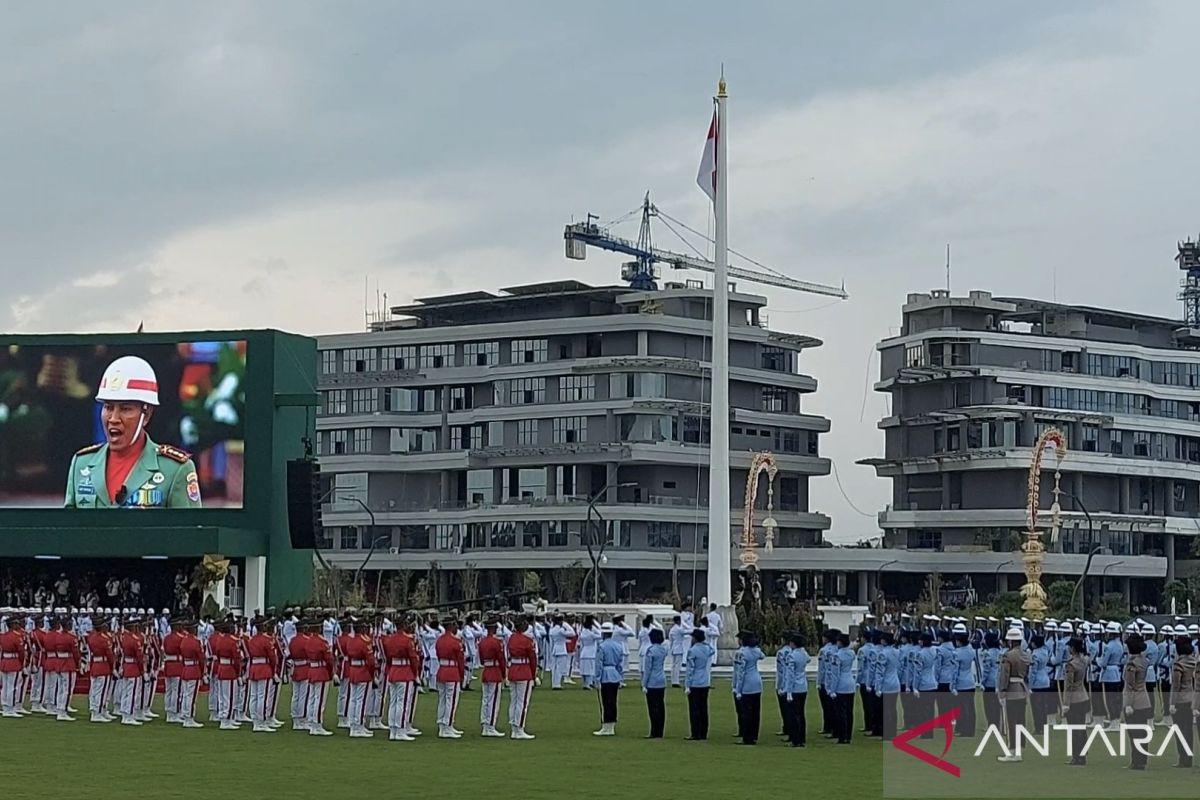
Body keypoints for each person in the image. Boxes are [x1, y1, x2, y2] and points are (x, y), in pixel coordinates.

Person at [64, 355, 202, 508]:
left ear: (146, 415)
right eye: (108, 407)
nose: (114, 418)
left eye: (125, 409)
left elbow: (191, 531)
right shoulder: (81, 464)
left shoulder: (176, 470)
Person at [381, 616, 421, 741]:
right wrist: (416, 674)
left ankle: (393, 729)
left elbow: (387, 658)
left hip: (393, 670)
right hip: (405, 672)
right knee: (402, 703)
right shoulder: (407, 639)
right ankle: (400, 730)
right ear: (403, 625)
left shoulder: (390, 639)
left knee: (393, 702)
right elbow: (413, 659)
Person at [997, 627, 1031, 762]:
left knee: (1011, 721)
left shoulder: (1008, 655)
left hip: (1011, 689)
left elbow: (1004, 676)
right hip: (1022, 688)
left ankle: (1012, 751)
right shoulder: (1026, 655)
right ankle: (1020, 749)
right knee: (1021, 721)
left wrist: (1002, 692)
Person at [340, 616, 377, 738]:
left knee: (353, 699)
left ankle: (353, 725)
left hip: (353, 670)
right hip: (363, 671)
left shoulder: (351, 641)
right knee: (361, 700)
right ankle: (359, 725)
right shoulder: (364, 641)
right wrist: (373, 674)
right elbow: (371, 661)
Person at [246, 617, 281, 734]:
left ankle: (256, 721)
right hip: (264, 668)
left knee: (254, 696)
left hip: (254, 668)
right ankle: (262, 721)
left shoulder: (251, 640)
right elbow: (272, 658)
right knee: (263, 696)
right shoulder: (267, 640)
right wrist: (273, 671)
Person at [1122, 633, 1152, 770]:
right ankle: (1141, 760)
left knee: (1134, 733)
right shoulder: (1144, 660)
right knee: (1142, 733)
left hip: (1134, 702)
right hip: (1144, 699)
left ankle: (1136, 761)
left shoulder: (1132, 663)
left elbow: (1130, 686)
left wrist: (1128, 704)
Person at [506, 618, 537, 740]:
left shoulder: (512, 638)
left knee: (514, 701)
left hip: (513, 669)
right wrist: (534, 674)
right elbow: (532, 658)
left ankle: (514, 726)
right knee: (522, 702)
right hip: (524, 671)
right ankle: (519, 728)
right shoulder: (527, 640)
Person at [732, 630, 765, 745]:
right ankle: (754, 735)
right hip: (757, 682)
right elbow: (762, 656)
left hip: (747, 684)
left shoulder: (742, 653)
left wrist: (738, 689)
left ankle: (747, 737)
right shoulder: (756, 651)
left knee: (746, 712)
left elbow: (740, 673)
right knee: (755, 712)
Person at [434, 617, 465, 738]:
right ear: (452, 625)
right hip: (452, 672)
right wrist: (462, 675)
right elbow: (460, 660)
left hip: (442, 670)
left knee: (442, 700)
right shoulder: (455, 641)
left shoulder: (440, 640)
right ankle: (448, 725)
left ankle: (443, 725)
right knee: (451, 701)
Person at [303, 620, 335, 736]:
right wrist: (331, 673)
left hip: (311, 669)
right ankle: (317, 724)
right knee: (319, 699)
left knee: (312, 698)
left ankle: (311, 721)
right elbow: (329, 660)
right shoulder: (322, 642)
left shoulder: (308, 641)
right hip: (321, 671)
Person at [1061, 636, 1090, 766]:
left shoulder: (1071, 664)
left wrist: (1065, 704)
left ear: (1072, 648)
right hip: (1083, 696)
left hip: (1074, 699)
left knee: (1074, 729)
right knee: (1081, 728)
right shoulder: (1083, 661)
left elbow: (1068, 686)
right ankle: (1082, 755)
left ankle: (1076, 756)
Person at [1169, 635, 1195, 768]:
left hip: (1180, 700)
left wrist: (1172, 703)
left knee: (1179, 730)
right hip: (1191, 699)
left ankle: (1183, 758)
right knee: (1188, 730)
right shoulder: (1194, 662)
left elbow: (1175, 686)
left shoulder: (1179, 665)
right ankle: (1188, 758)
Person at [594, 622, 624, 736]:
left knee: (606, 702)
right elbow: (620, 664)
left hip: (606, 675)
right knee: (613, 701)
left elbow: (599, 664)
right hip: (615, 675)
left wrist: (597, 679)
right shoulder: (618, 646)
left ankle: (606, 726)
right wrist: (620, 677)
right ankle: (611, 726)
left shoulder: (601, 646)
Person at [478, 620, 507, 737]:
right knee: (493, 700)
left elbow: (480, 659)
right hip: (495, 671)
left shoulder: (482, 642)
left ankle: (485, 723)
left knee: (485, 699)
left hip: (486, 670)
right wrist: (504, 674)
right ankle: (490, 726)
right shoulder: (497, 642)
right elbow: (501, 659)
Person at [684, 627, 714, 740]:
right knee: (703, 708)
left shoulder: (692, 650)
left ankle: (695, 732)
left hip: (695, 682)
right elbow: (712, 650)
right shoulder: (706, 649)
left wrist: (687, 684)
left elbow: (690, 669)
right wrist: (704, 642)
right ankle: (703, 732)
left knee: (694, 709)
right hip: (705, 681)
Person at [84, 616, 116, 723]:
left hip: (95, 665)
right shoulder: (104, 639)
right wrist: (113, 666)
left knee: (94, 690)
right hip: (103, 666)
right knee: (101, 691)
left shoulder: (91, 637)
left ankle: (95, 710)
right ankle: (98, 712)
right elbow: (110, 655)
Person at [176, 619, 205, 728]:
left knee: (185, 695)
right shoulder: (196, 641)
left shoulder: (183, 640)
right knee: (191, 696)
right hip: (194, 669)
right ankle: (189, 718)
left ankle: (185, 715)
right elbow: (201, 658)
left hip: (186, 669)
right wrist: (202, 672)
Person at [784, 632, 811, 746]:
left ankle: (796, 740)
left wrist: (788, 691)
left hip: (794, 687)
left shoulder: (792, 655)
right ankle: (802, 737)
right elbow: (809, 659)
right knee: (801, 713)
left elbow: (790, 675)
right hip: (803, 686)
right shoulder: (804, 654)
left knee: (794, 715)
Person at [870, 631, 898, 740]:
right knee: (892, 709)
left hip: (886, 683)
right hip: (895, 682)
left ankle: (887, 733)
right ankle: (893, 731)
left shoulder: (883, 654)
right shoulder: (897, 652)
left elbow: (880, 672)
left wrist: (877, 687)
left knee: (886, 710)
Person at [830, 632, 855, 745]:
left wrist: (832, 689)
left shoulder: (837, 655)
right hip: (850, 683)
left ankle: (842, 736)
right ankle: (848, 735)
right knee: (849, 712)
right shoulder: (851, 653)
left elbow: (835, 674)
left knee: (840, 713)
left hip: (841, 685)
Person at [642, 627, 667, 739]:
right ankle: (660, 731)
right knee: (660, 706)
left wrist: (644, 683)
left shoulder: (651, 650)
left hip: (652, 681)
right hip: (661, 679)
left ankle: (654, 731)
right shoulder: (663, 649)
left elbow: (648, 669)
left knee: (653, 707)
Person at [951, 631, 977, 736]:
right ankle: (971, 729)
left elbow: (955, 671)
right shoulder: (971, 651)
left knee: (963, 708)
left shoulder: (957, 653)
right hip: (970, 681)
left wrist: (952, 685)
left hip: (961, 683)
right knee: (971, 707)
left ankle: (964, 730)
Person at [0, 616, 26, 718]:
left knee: (5, 686)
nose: (17, 625)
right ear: (12, 625)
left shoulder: (2, 636)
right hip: (14, 662)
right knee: (12, 687)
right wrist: (22, 663)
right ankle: (10, 708)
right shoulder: (17, 636)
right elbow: (21, 652)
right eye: (16, 623)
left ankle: (5, 706)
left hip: (5, 661)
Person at [979, 632, 1002, 729]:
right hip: (999, 680)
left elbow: (986, 670)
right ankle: (997, 723)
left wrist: (982, 681)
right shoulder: (1001, 653)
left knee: (988, 705)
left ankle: (991, 723)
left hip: (990, 682)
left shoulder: (988, 654)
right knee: (997, 705)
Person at [548, 614, 575, 690]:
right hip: (561, 649)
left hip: (555, 648)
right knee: (560, 667)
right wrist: (566, 626)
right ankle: (557, 684)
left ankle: (554, 683)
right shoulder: (561, 630)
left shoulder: (552, 629)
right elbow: (572, 633)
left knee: (554, 668)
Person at [578, 615, 600, 690]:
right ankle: (588, 683)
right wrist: (596, 624)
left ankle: (585, 683)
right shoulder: (591, 634)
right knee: (590, 669)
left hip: (584, 652)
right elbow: (600, 634)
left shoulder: (583, 632)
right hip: (591, 653)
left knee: (584, 669)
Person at [667, 615, 688, 687]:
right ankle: (676, 681)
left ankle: (674, 680)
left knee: (673, 666)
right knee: (677, 666)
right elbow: (687, 631)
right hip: (679, 648)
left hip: (673, 648)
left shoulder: (672, 629)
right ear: (679, 621)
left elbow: (670, 639)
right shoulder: (679, 629)